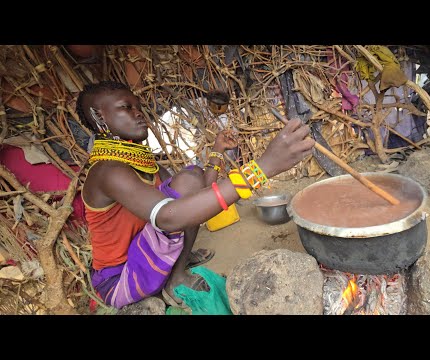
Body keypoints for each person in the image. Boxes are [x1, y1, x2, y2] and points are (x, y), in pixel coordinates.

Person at [76, 81, 315, 309]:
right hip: (121, 280)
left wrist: (217, 151)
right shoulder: (107, 171)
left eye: (138, 106)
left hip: (142, 256)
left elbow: (196, 193)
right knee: (182, 196)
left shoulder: (143, 164)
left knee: (190, 178)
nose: (139, 113)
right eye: (126, 108)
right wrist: (262, 168)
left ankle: (176, 267)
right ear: (99, 117)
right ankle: (176, 276)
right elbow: (170, 218)